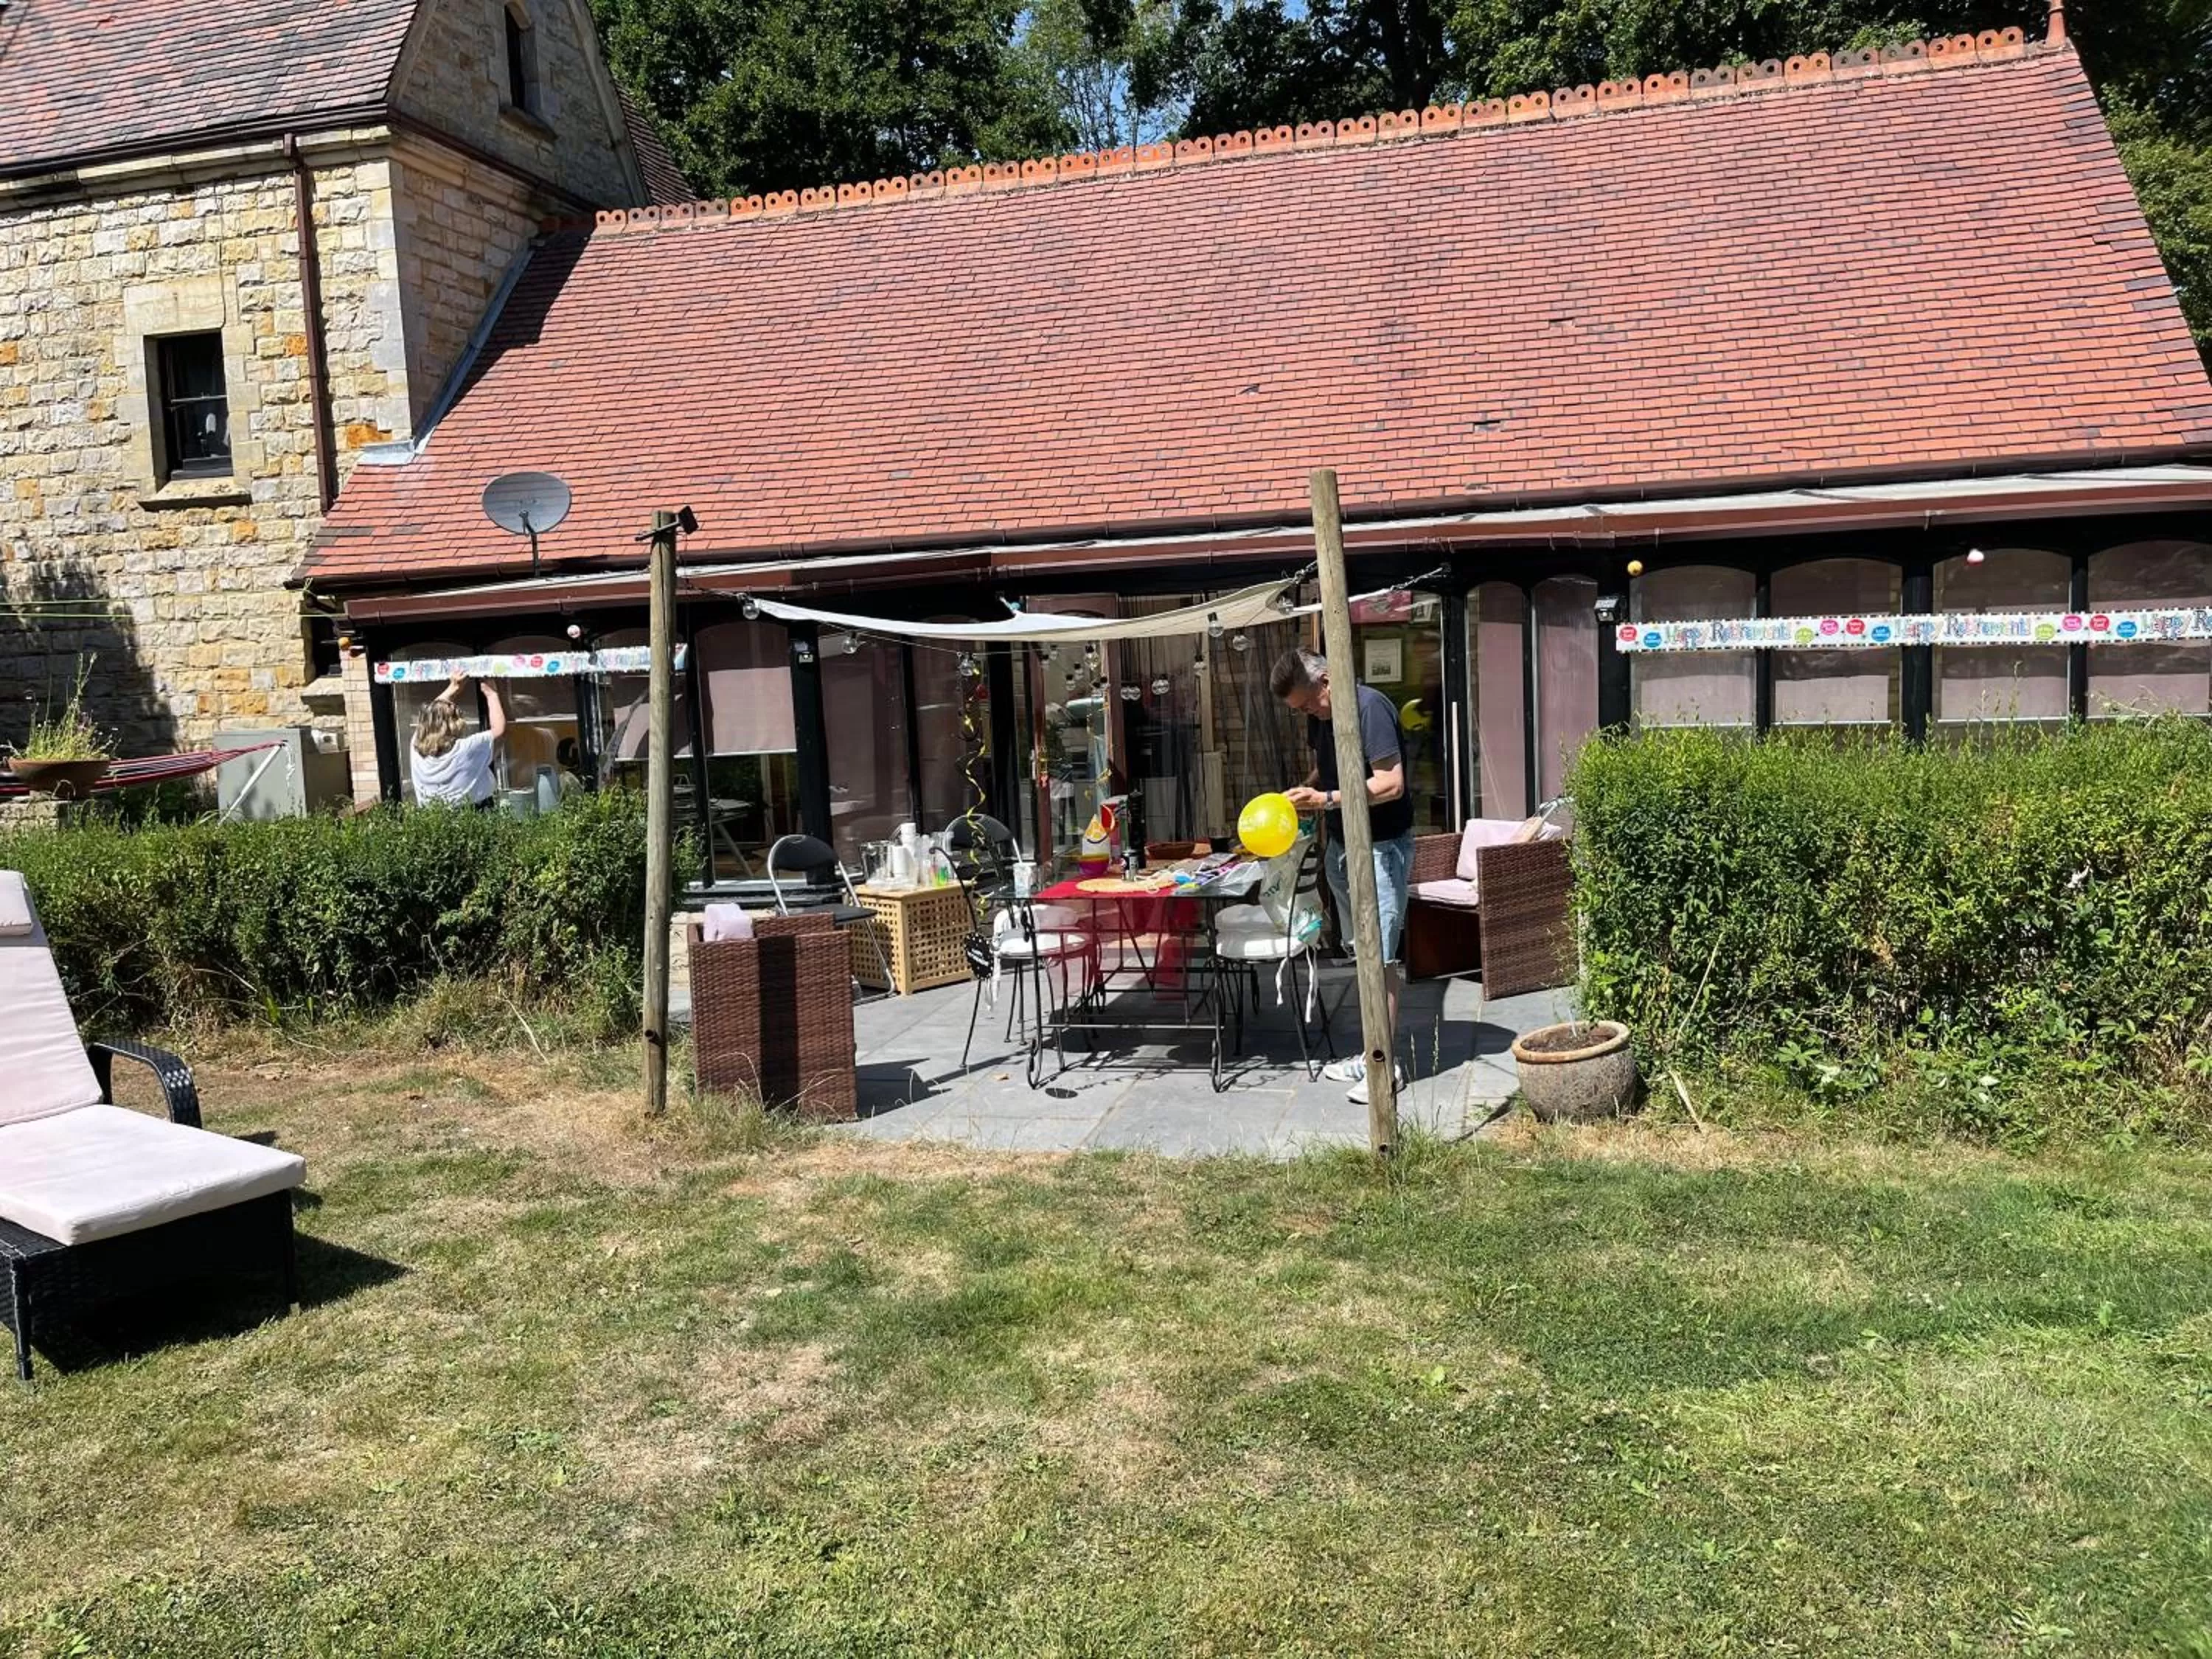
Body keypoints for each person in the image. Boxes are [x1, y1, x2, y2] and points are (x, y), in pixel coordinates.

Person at [1271, 647, 1413, 1105]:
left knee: (1382, 958)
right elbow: (1331, 770)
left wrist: (1326, 799)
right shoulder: (1322, 715)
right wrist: (1307, 791)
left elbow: (1390, 784)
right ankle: (1371, 1051)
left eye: (1310, 704)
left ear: (1327, 681)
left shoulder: (1369, 708)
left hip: (1379, 845)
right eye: (1300, 711)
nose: (1309, 714)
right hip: (1342, 845)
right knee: (1360, 953)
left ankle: (1385, 1068)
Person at [410, 672, 505, 806]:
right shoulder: (464, 749)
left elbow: (431, 714)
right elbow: (500, 731)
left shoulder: (416, 746)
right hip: (472, 813)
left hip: (431, 817)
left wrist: (453, 687)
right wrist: (491, 694)